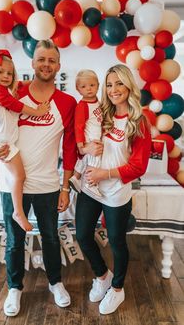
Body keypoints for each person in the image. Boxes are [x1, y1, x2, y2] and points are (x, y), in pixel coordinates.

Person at [0, 40, 77, 316]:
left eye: (52, 60)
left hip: (47, 184)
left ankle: (56, 283)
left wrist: (66, 186)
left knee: (50, 237)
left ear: (58, 66)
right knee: (14, 240)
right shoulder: (13, 91)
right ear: (32, 63)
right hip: (11, 183)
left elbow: (69, 148)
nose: (46, 64)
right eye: (41, 59)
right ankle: (14, 288)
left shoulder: (67, 103)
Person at [75, 64, 151, 315]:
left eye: (119, 83)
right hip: (90, 187)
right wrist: (85, 150)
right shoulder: (100, 114)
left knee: (117, 242)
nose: (113, 89)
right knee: (84, 235)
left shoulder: (139, 120)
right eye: (109, 84)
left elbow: (138, 166)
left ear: (129, 85)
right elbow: (80, 141)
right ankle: (103, 276)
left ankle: (118, 288)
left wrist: (105, 174)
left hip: (116, 192)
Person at [0, 49, 50, 232]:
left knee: (11, 175)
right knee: (20, 176)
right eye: (0, 72)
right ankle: (18, 212)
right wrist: (38, 112)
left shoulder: (4, 90)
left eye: (9, 73)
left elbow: (18, 87)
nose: (5, 76)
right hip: (3, 143)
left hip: (4, 141)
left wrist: (34, 81)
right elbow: (16, 105)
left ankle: (18, 211)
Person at [69, 69, 103, 197]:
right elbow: (78, 126)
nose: (88, 89)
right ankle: (90, 183)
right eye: (84, 86)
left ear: (98, 86)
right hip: (91, 138)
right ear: (78, 89)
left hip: (97, 135)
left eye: (92, 85)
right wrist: (80, 145)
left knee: (86, 159)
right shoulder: (82, 106)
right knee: (95, 160)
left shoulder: (98, 103)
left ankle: (76, 177)